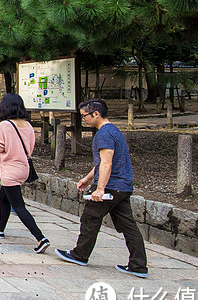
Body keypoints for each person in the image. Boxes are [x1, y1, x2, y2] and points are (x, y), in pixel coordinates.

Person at [56, 98, 148, 278]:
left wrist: (100, 189)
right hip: (122, 187)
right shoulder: (114, 131)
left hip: (111, 187)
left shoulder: (104, 134)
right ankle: (138, 265)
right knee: (128, 226)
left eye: (85, 116)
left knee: (90, 219)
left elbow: (106, 163)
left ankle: (80, 255)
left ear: (96, 114)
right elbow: (100, 163)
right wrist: (88, 179)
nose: (83, 119)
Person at [0, 93, 50, 254]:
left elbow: (0, 147)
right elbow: (30, 149)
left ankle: (40, 238)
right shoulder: (28, 125)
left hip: (10, 169)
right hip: (23, 168)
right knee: (4, 197)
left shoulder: (6, 125)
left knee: (18, 205)